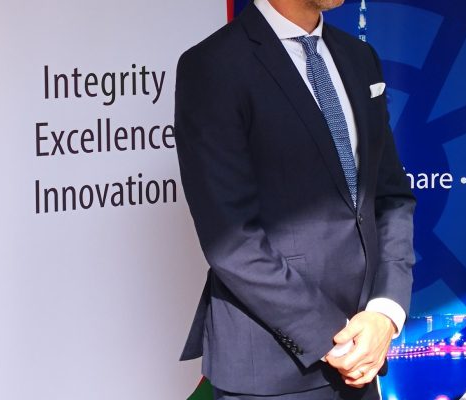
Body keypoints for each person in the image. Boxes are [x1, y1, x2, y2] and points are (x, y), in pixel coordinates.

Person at [174, 0, 416, 398]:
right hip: (274, 368)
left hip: (364, 353)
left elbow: (390, 197)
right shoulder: (213, 65)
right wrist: (336, 339)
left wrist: (385, 312)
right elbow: (231, 241)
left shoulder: (359, 57)